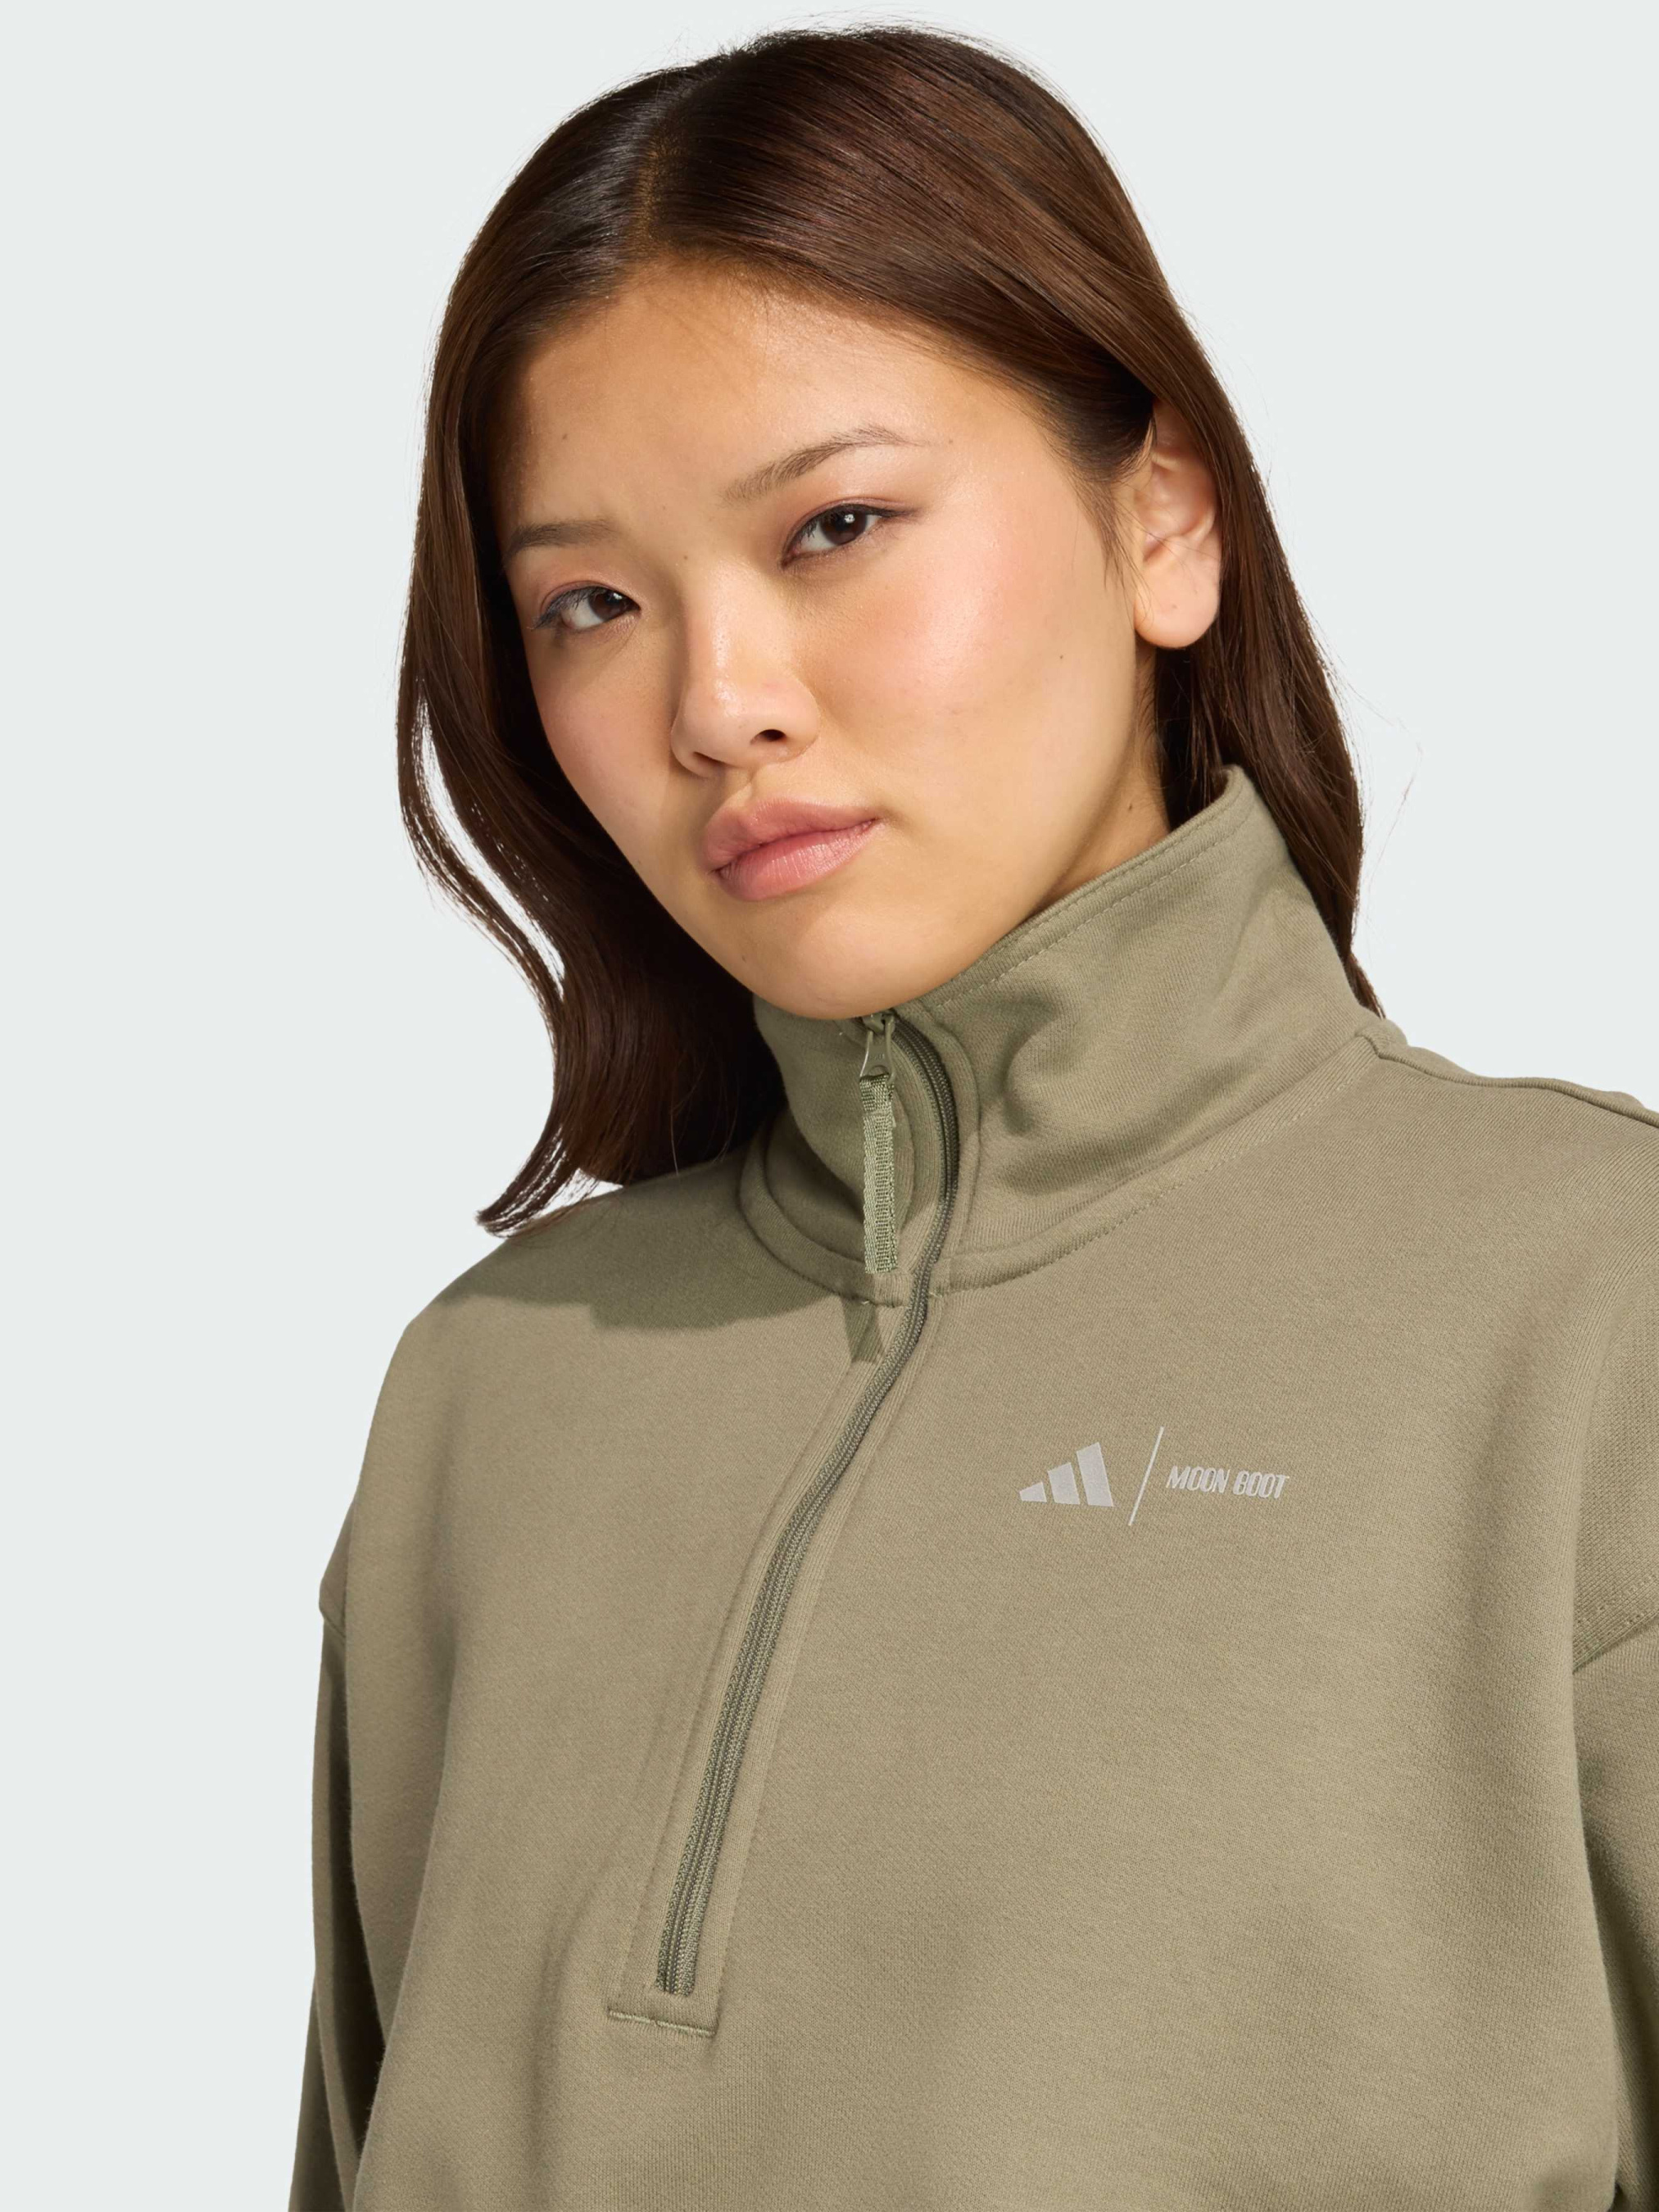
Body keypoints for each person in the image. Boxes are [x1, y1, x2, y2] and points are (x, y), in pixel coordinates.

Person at [288, 24, 1658, 2210]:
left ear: (1164, 519)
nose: (718, 699)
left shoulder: (1592, 1317)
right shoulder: (492, 1397)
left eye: (835, 525)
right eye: (590, 604)